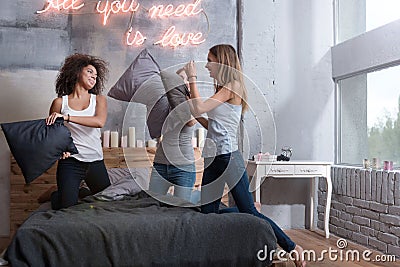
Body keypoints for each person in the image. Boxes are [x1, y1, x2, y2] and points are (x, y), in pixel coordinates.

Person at [183, 44, 306, 267]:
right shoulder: (220, 89)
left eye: (210, 60)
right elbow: (209, 122)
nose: (207, 65)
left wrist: (192, 78)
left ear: (221, 62)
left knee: (248, 211)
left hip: (229, 158)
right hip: (212, 160)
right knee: (207, 214)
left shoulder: (233, 86)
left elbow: (200, 107)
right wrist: (189, 93)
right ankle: (245, 207)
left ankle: (292, 247)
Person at [45, 53, 111, 210]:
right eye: (89, 72)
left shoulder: (99, 100)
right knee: (66, 207)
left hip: (95, 160)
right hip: (70, 162)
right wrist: (61, 150)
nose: (93, 77)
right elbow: (53, 134)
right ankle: (56, 194)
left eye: (95, 75)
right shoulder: (60, 102)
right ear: (76, 72)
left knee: (108, 202)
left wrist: (66, 117)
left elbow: (99, 122)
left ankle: (79, 191)